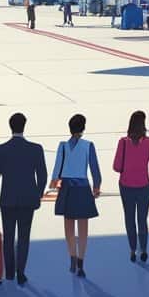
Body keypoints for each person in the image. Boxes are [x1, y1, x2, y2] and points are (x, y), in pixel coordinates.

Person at [0, 113, 47, 285]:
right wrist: (37, 194)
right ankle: (21, 272)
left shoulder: (0, 149)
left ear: (10, 126)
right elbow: (42, 176)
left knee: (8, 237)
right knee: (24, 237)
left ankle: (9, 272)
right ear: (24, 126)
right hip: (28, 200)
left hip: (8, 200)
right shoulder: (36, 149)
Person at [50, 114, 101, 277]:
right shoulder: (88, 146)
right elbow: (94, 168)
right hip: (83, 187)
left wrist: (53, 182)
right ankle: (81, 261)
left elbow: (57, 167)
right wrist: (97, 186)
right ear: (83, 128)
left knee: (69, 226)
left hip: (67, 188)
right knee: (83, 228)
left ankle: (71, 257)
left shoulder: (62, 146)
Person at [113, 111, 149, 263]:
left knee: (129, 218)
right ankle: (144, 249)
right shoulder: (148, 142)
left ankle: (132, 249)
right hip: (143, 187)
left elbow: (116, 166)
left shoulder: (123, 142)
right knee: (142, 218)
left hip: (126, 185)